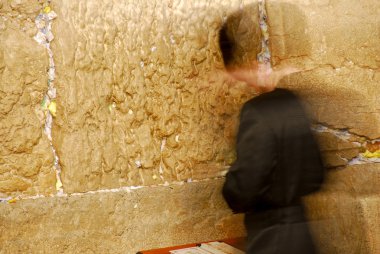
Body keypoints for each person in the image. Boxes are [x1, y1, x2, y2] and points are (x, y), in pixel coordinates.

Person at [219, 12, 325, 254]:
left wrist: (229, 186)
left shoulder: (257, 111)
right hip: (302, 234)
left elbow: (244, 186)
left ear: (254, 63)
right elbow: (316, 175)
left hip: (272, 238)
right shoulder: (293, 102)